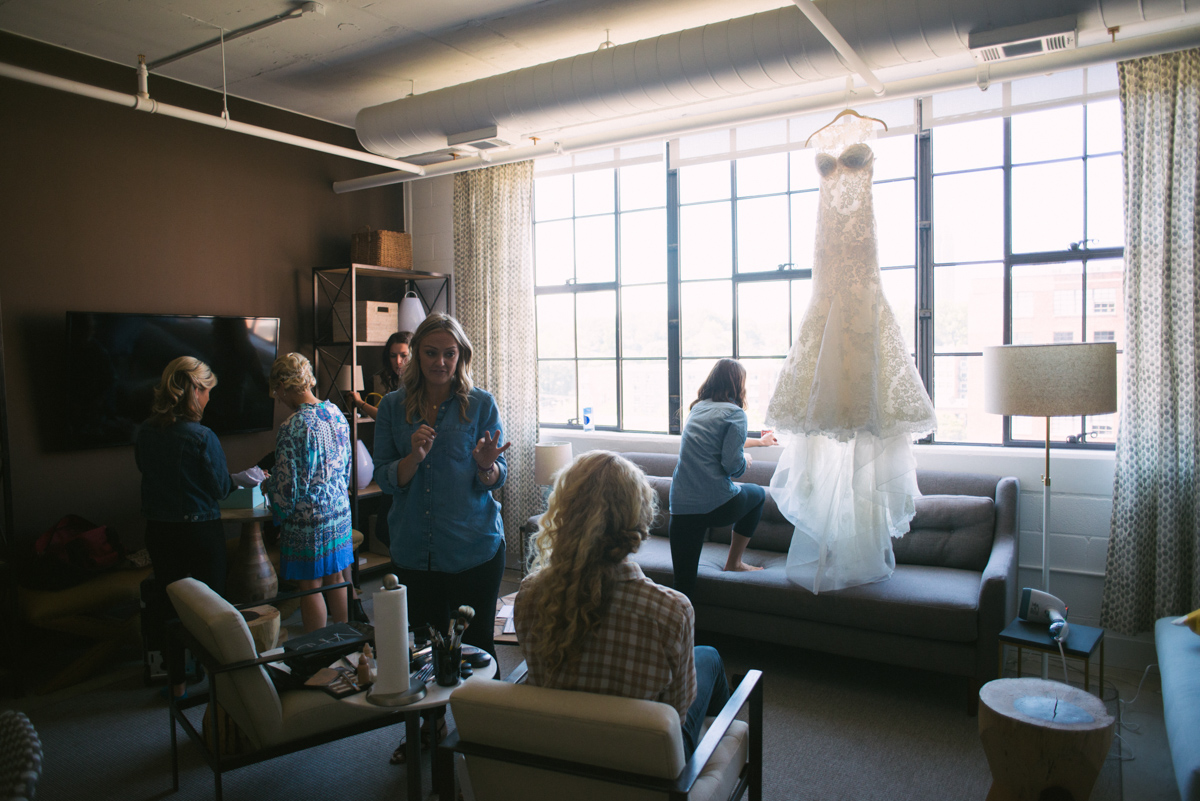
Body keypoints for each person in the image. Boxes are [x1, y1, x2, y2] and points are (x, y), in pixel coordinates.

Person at [765, 116, 936, 593]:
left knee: (865, 405)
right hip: (826, 285)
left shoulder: (869, 149)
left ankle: (861, 549)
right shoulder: (824, 157)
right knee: (825, 415)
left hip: (862, 283)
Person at [514, 450, 731, 758]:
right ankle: (721, 746)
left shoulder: (530, 595)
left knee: (705, 656)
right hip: (644, 764)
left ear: (564, 511)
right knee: (708, 657)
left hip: (561, 751)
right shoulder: (672, 611)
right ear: (638, 515)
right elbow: (677, 714)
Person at [135, 356, 236, 698]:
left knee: (170, 609)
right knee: (213, 611)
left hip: (160, 533)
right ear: (194, 389)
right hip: (199, 533)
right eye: (206, 391)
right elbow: (220, 488)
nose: (209, 399)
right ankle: (220, 686)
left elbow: (145, 471)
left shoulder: (145, 431)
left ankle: (176, 684)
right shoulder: (202, 436)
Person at [261, 353, 355, 632]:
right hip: (338, 509)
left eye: (277, 391)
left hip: (308, 519)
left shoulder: (293, 427)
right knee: (336, 576)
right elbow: (346, 465)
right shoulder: (336, 413)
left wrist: (269, 487)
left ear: (283, 385)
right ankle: (344, 638)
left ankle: (316, 649)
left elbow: (289, 487)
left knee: (310, 585)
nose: (278, 398)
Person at [669, 358, 777, 599]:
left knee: (683, 585)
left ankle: (683, 634)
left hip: (681, 507)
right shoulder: (735, 413)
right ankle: (734, 562)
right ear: (738, 385)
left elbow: (715, 443)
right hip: (716, 506)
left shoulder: (697, 409)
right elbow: (731, 465)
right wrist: (745, 461)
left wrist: (760, 442)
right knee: (758, 494)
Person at [348, 330, 412, 420]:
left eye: (404, 355)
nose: (398, 361)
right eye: (393, 356)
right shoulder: (399, 383)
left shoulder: (417, 384)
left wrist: (361, 403)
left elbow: (387, 418)